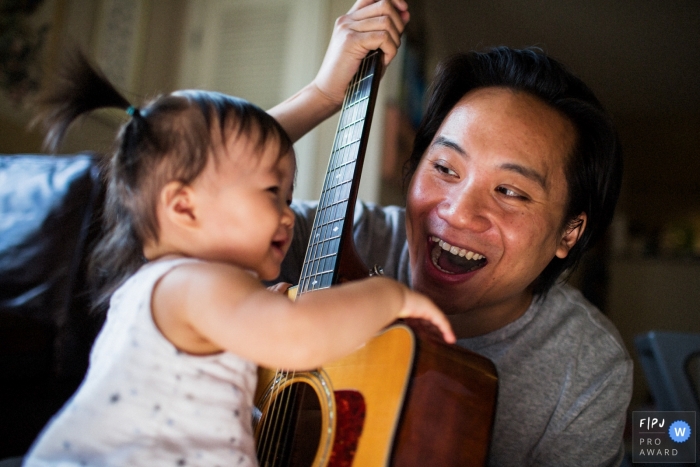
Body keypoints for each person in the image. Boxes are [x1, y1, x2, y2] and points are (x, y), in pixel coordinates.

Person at [21, 50, 455, 467]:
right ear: (184, 208)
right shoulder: (194, 283)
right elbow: (299, 337)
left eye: (288, 197)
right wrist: (388, 294)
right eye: (272, 193)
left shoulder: (168, 288)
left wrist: (266, 306)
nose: (288, 214)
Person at [268, 0, 633, 465]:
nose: (458, 213)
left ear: (570, 232)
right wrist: (320, 96)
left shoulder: (587, 370)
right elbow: (161, 213)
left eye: (509, 191)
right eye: (444, 167)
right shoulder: (343, 235)